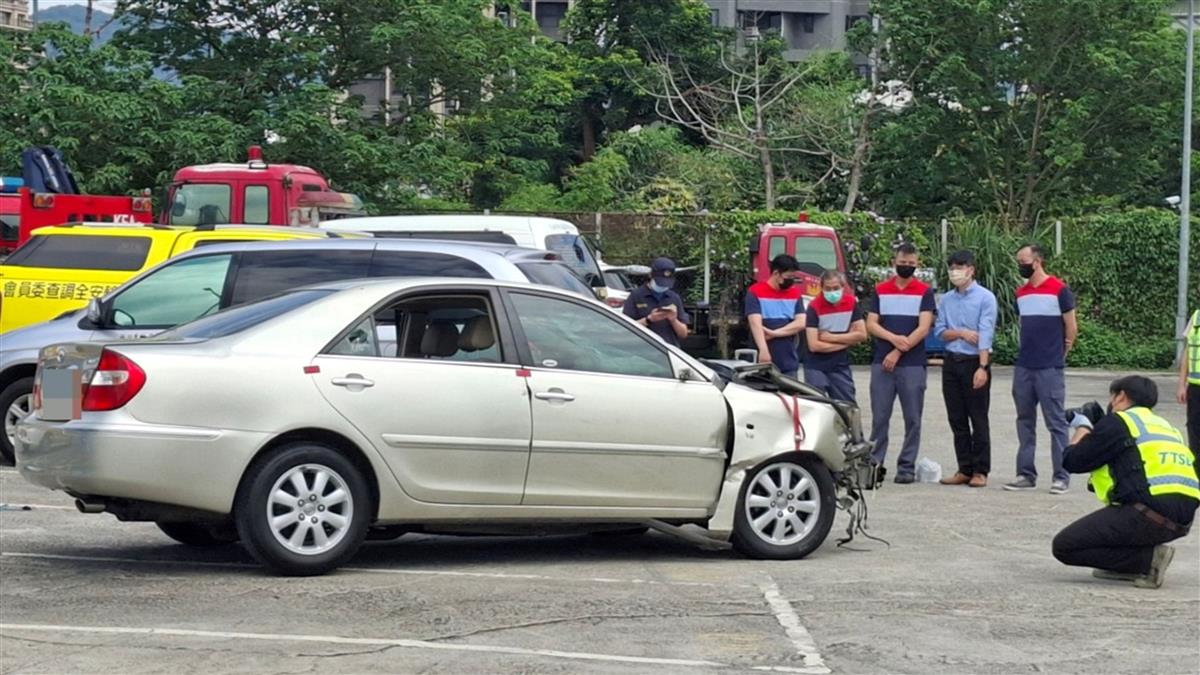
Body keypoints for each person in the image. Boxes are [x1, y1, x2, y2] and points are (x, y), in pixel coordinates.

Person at [1051, 376, 1198, 588]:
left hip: (1147, 514)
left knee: (1065, 546)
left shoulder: (1120, 422)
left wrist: (1083, 427)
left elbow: (1073, 461)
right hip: (1181, 520)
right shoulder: (1165, 427)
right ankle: (1136, 563)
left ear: (1121, 396)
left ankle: (1148, 560)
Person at [1005, 244, 1078, 495]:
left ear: (1037, 261)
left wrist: (1062, 352)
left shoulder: (1059, 289)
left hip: (1049, 367)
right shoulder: (1021, 293)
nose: (1020, 265)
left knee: (1056, 422)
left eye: (1023, 261)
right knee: (1024, 421)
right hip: (1024, 365)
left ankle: (1061, 475)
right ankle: (1025, 473)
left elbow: (1071, 325)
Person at [865, 244, 936, 484]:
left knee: (913, 418)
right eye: (902, 262)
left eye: (911, 263)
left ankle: (906, 466)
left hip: (912, 364)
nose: (906, 266)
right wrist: (894, 339)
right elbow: (871, 324)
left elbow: (924, 327)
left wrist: (897, 351)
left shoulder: (925, 292)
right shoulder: (880, 290)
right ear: (893, 261)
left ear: (917, 263)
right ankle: (875, 465)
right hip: (882, 363)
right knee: (880, 417)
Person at [934, 250, 998, 488]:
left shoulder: (985, 298)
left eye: (960, 267)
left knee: (978, 417)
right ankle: (964, 468)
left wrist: (983, 367)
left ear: (971, 269)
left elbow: (985, 334)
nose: (955, 272)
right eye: (951, 267)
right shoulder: (947, 299)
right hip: (951, 361)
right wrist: (960, 332)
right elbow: (940, 331)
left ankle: (981, 470)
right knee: (957, 418)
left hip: (974, 362)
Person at [805, 270, 868, 402]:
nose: (832, 292)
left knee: (847, 405)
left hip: (840, 365)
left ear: (843, 287)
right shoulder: (813, 307)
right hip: (816, 366)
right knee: (816, 406)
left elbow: (862, 334)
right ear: (821, 288)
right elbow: (814, 345)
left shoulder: (851, 303)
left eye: (836, 288)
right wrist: (848, 341)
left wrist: (832, 338)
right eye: (828, 288)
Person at [745, 254, 807, 378]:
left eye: (793, 277)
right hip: (762, 359)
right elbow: (755, 324)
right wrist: (763, 349)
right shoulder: (755, 292)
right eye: (788, 277)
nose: (791, 281)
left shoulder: (795, 293)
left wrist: (774, 333)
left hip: (788, 359)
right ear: (776, 274)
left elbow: (801, 323)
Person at [622, 257, 689, 347]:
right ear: (651, 276)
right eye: (660, 283)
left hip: (669, 350)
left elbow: (683, 334)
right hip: (643, 350)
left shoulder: (674, 297)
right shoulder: (636, 296)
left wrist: (673, 320)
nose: (663, 286)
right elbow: (625, 328)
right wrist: (649, 319)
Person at [1179, 309, 1199, 454]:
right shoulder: (1196, 316)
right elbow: (1188, 351)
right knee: (1194, 432)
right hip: (1195, 388)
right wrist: (1181, 384)